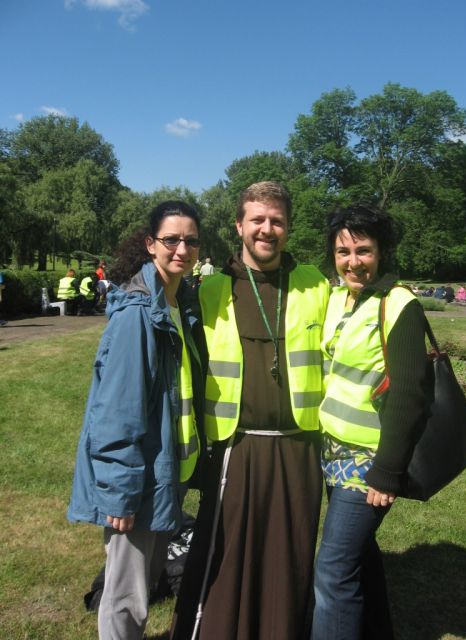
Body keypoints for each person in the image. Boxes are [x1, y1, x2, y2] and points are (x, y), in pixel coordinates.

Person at [170, 181, 329, 640]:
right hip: (236, 448)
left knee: (291, 552)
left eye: (276, 221)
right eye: (257, 219)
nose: (267, 229)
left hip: (299, 447)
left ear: (288, 228)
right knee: (227, 553)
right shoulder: (211, 289)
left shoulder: (315, 284)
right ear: (239, 225)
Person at [67, 200, 207, 640]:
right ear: (151, 244)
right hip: (140, 480)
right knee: (127, 598)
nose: (181, 249)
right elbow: (117, 415)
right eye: (171, 239)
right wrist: (121, 495)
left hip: (167, 473)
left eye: (190, 241)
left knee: (144, 583)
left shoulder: (179, 303)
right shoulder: (138, 314)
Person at [311, 204, 429, 640]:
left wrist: (387, 471)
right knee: (357, 555)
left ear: (381, 252)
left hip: (368, 460)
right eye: (343, 252)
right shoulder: (338, 298)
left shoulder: (399, 304)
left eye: (363, 250)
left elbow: (409, 395)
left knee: (333, 570)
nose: (353, 262)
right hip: (333, 451)